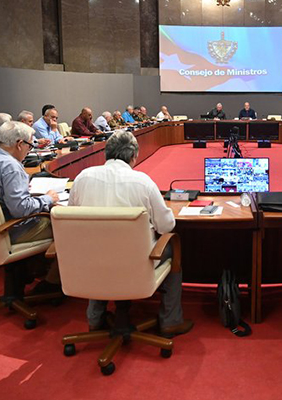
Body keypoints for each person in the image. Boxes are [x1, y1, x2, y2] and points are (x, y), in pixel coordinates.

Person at [69, 131, 194, 337]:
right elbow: (166, 226)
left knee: (97, 246)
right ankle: (170, 321)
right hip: (136, 263)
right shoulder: (142, 182)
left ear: (105, 154)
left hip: (91, 261)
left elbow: (72, 216)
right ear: (134, 156)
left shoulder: (82, 178)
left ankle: (94, 319)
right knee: (172, 247)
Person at [0, 121, 61, 291]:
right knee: (62, 225)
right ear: (19, 144)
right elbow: (20, 210)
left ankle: (27, 271)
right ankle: (50, 282)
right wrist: (47, 199)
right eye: (30, 146)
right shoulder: (10, 166)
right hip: (6, 230)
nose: (29, 150)